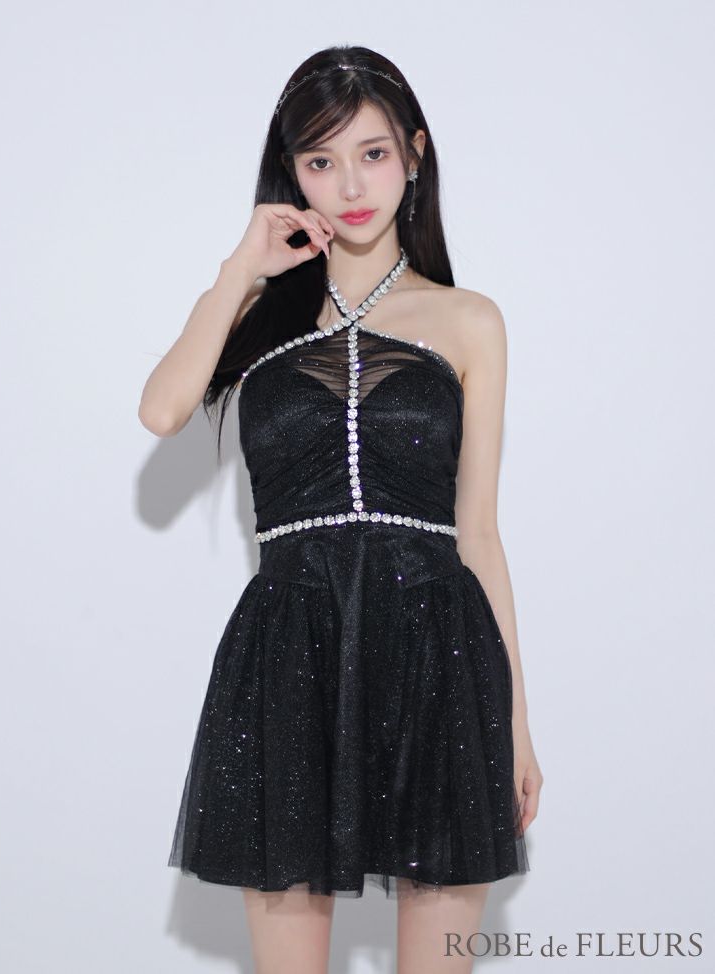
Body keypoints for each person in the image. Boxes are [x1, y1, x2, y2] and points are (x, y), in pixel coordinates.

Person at [139, 44, 543, 974]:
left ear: (414, 154)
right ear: (292, 174)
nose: (350, 186)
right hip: (290, 660)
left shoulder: (469, 320)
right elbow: (161, 410)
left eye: (372, 153)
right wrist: (240, 268)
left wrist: (516, 721)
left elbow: (480, 532)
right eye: (320, 161)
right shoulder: (256, 316)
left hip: (440, 658)